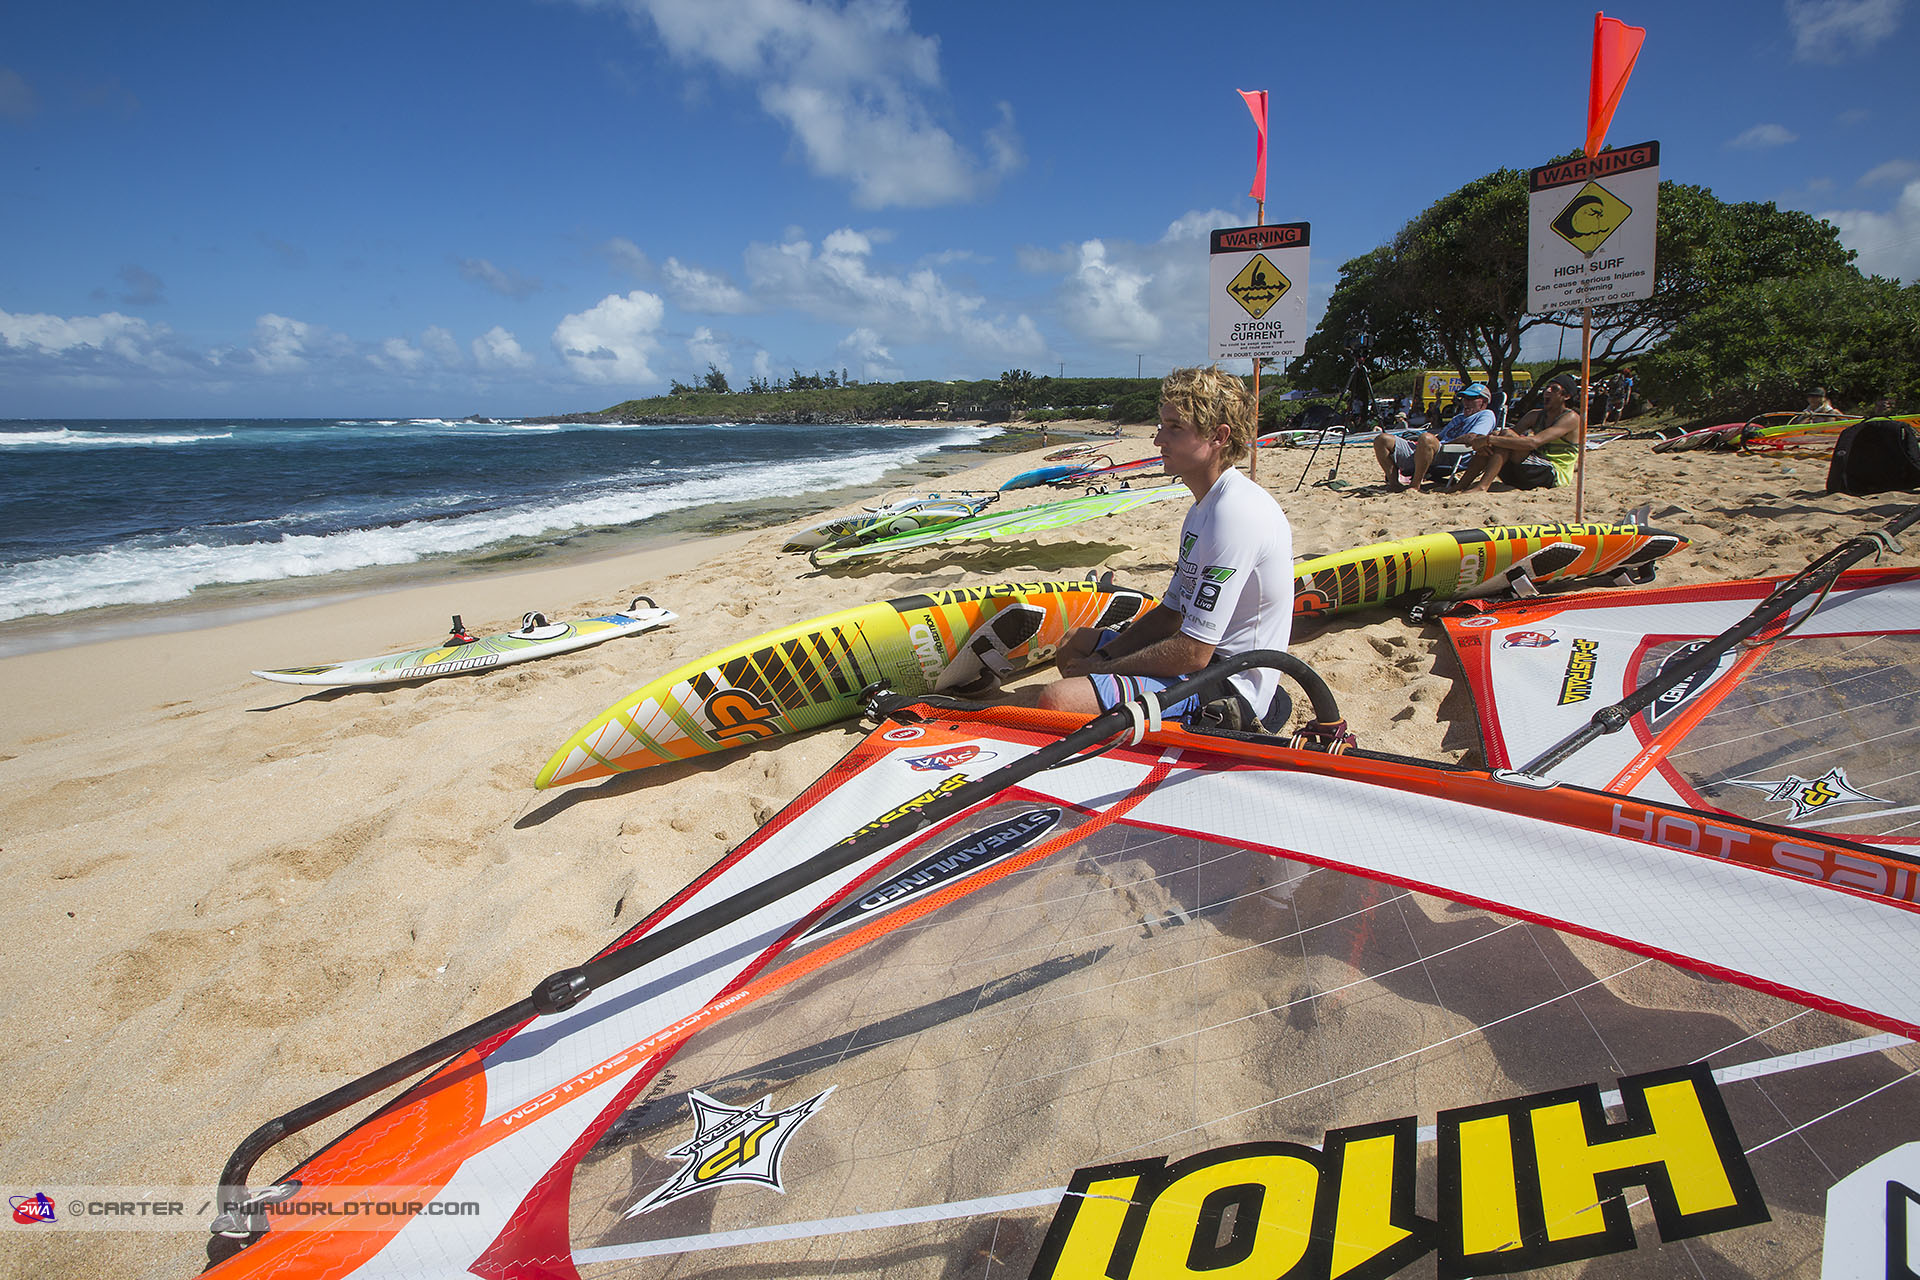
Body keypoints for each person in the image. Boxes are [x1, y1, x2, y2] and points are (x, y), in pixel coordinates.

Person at [1007, 366, 1294, 728]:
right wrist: (1106, 654)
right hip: (1204, 660)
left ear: (1219, 436)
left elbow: (1194, 653)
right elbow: (1169, 615)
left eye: (1175, 428)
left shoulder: (1235, 513)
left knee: (1056, 701)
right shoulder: (1202, 508)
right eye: (1162, 426)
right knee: (1073, 644)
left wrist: (1105, 668)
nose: (1159, 440)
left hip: (1231, 686)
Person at [1454, 376, 1583, 492]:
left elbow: (1534, 442)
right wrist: (1491, 438)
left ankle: (1482, 486)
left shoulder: (1571, 418)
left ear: (1566, 396)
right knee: (1501, 437)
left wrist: (1489, 439)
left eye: (1554, 389)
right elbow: (1508, 435)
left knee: (1502, 438)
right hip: (1526, 471)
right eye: (1547, 387)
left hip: (1553, 473)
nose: (1547, 391)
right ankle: (1460, 485)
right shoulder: (1535, 415)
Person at [1373, 382, 1495, 492]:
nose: (1466, 402)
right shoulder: (1459, 417)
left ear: (1484, 402)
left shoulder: (1486, 415)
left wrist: (1441, 444)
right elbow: (1440, 437)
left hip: (1451, 454)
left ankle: (1415, 486)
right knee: (1382, 439)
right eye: (1465, 398)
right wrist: (1421, 442)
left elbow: (1474, 437)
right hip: (1432, 449)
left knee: (1426, 439)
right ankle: (1394, 484)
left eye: (1471, 398)